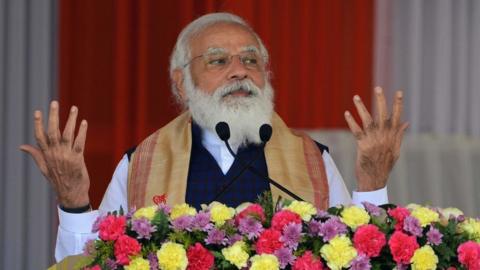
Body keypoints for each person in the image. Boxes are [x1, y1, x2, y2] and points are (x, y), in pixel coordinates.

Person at [20, 13, 408, 262]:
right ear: (181, 82)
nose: (239, 71)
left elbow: (362, 258)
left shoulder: (311, 159)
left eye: (251, 59)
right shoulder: (142, 162)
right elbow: (87, 263)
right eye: (219, 61)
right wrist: (74, 203)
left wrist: (373, 185)